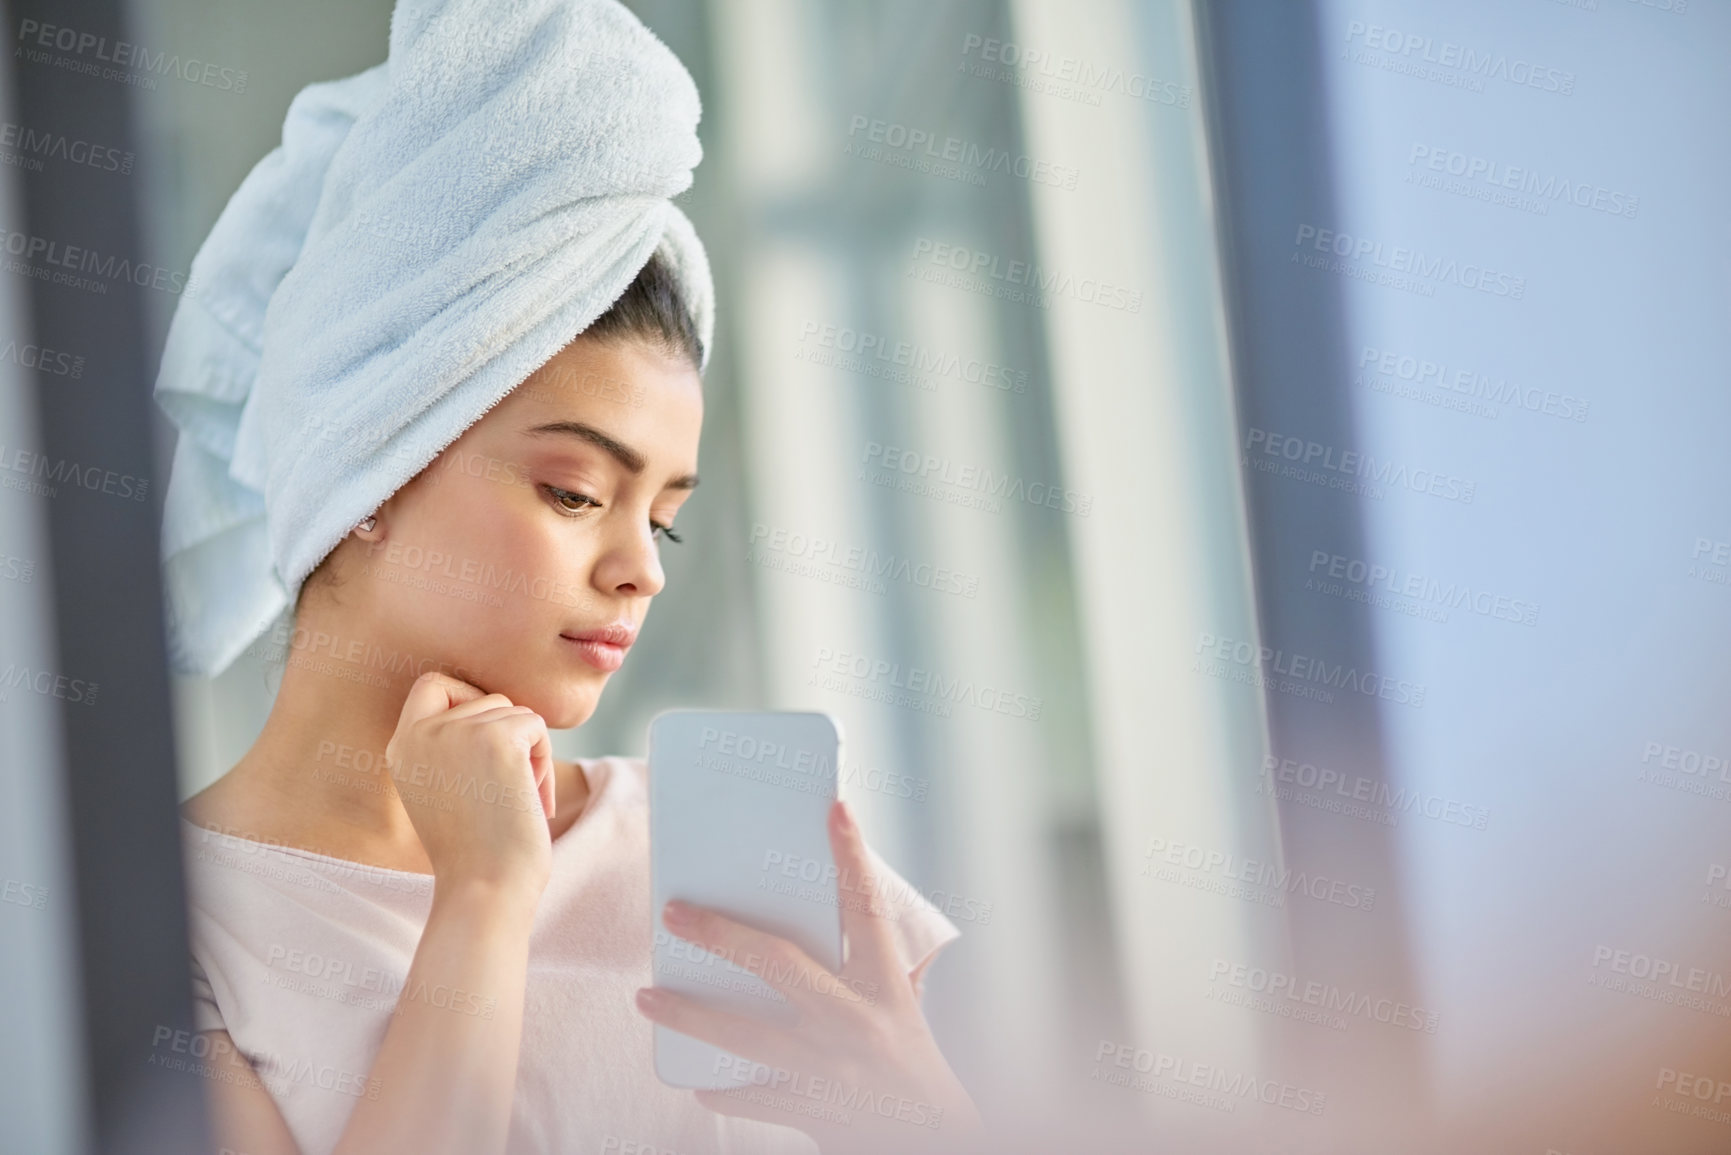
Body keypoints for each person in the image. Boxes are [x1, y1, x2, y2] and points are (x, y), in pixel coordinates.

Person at [158, 3, 984, 1153]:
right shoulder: (155, 935)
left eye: (667, 521)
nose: (641, 568)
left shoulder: (713, 863)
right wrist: (486, 896)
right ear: (371, 482)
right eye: (574, 493)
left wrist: (927, 1117)